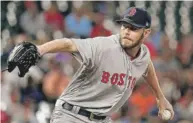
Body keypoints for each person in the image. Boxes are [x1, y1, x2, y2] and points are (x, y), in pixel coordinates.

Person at [37, 7, 174, 123]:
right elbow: (69, 44)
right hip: (72, 115)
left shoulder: (143, 54)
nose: (126, 31)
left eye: (133, 28)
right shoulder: (105, 46)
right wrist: (39, 50)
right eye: (124, 26)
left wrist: (160, 97)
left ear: (146, 33)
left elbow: (147, 66)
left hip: (102, 119)